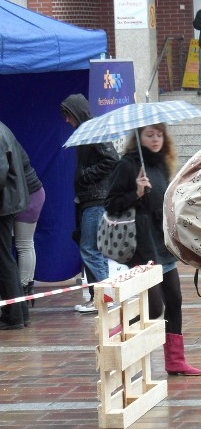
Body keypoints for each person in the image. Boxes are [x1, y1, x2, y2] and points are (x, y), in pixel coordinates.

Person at [104, 124, 201, 377]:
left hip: (161, 244)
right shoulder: (128, 165)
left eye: (159, 134)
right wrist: (135, 193)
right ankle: (122, 341)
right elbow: (111, 203)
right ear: (138, 137)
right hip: (140, 246)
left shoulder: (160, 164)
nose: (156, 139)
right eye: (150, 135)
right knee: (154, 307)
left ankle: (175, 360)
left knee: (175, 300)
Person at [60, 94, 120, 314]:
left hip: (96, 200)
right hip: (91, 199)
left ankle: (105, 299)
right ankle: (101, 298)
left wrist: (86, 175)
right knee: (95, 250)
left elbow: (112, 159)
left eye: (67, 115)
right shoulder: (89, 130)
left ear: (76, 112)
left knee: (90, 249)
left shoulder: (94, 130)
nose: (66, 120)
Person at [0, 121, 30, 331]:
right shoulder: (4, 129)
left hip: (3, 204)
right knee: (5, 258)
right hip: (8, 202)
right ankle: (20, 312)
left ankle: (14, 315)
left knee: (4, 259)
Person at [14, 147, 45, 307]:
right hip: (33, 193)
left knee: (24, 245)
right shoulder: (10, 140)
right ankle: (27, 288)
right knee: (26, 244)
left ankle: (24, 290)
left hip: (28, 196)